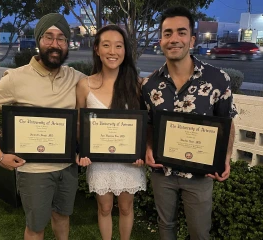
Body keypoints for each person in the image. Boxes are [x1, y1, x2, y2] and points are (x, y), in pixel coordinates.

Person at [0, 13, 86, 240]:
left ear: (67, 44)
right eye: (49, 37)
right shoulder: (15, 78)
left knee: (62, 218)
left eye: (61, 38)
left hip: (67, 167)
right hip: (33, 171)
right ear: (38, 40)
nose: (55, 44)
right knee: (36, 228)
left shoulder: (75, 77)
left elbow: (106, 83)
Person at [140, 6, 238, 240]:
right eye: (167, 33)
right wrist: (148, 147)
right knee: (166, 226)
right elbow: (150, 124)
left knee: (199, 232)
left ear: (192, 39)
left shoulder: (217, 79)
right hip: (163, 172)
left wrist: (225, 156)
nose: (174, 39)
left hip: (200, 174)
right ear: (161, 40)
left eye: (181, 32)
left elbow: (227, 122)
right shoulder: (149, 84)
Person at [75, 25, 146, 240]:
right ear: (97, 49)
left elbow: (143, 125)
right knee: (104, 208)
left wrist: (140, 152)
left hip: (128, 162)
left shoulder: (137, 85)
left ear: (125, 50)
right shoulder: (84, 85)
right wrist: (81, 151)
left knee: (126, 208)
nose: (112, 51)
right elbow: (80, 125)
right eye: (106, 45)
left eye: (118, 46)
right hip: (98, 161)